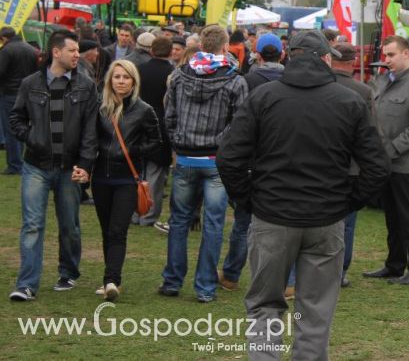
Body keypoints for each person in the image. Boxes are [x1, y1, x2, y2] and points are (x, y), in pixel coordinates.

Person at [217, 30, 390, 359]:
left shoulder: (265, 97)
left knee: (266, 307)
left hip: (278, 215)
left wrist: (247, 200)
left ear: (288, 57)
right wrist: (347, 202)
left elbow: (229, 156)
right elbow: (378, 166)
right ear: (327, 59)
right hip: (315, 217)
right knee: (314, 313)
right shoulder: (348, 101)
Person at [160, 24, 249, 303]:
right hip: (213, 161)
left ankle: (173, 281)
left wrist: (178, 141)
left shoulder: (178, 77)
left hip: (188, 157)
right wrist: (220, 144)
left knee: (179, 222)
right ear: (225, 47)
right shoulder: (235, 80)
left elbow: (169, 116)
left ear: (200, 45)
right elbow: (240, 124)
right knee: (212, 224)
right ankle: (205, 286)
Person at [8, 31, 99, 301]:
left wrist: (85, 164)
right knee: (32, 225)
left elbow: (90, 130)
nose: (77, 55)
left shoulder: (86, 85)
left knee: (69, 225)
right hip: (36, 165)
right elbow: (16, 118)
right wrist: (31, 136)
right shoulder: (30, 83)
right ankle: (26, 284)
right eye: (72, 50)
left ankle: (68, 272)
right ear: (56, 52)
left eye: (77, 51)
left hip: (70, 167)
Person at [363, 35, 409, 285]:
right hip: (383, 163)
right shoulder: (382, 81)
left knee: (408, 217)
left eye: (392, 55)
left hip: (403, 164)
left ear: (407, 54)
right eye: (385, 55)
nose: (387, 60)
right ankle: (394, 265)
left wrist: (393, 149)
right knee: (392, 217)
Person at [218, 33, 285, 293]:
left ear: (256, 54)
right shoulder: (291, 82)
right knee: (286, 226)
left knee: (243, 222)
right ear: (281, 55)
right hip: (280, 159)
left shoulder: (245, 81)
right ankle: (287, 283)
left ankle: (232, 274)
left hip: (251, 160)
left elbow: (236, 123)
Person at [92, 60, 160, 301]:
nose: (121, 81)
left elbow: (156, 141)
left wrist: (132, 150)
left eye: (126, 77)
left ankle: (112, 281)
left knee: (118, 230)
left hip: (127, 179)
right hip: (100, 178)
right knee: (106, 230)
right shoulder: (100, 108)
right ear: (110, 79)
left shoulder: (144, 110)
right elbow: (90, 138)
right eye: (117, 77)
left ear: (134, 81)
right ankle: (109, 278)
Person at [330, 42, 375, 288]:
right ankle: (340, 271)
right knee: (346, 224)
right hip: (351, 168)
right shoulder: (363, 91)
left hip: (322, 165)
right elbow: (370, 134)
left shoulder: (321, 86)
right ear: (352, 63)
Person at [135, 36, 175, 229]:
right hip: (160, 126)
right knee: (155, 176)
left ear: (151, 50)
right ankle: (148, 215)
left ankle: (135, 212)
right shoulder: (173, 73)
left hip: (137, 124)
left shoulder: (139, 70)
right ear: (170, 52)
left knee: (136, 171)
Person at [0, 27, 38, 175]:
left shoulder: (6, 51)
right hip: (27, 93)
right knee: (22, 127)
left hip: (9, 93)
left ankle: (15, 164)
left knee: (11, 129)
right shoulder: (30, 48)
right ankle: (21, 160)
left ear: (4, 38)